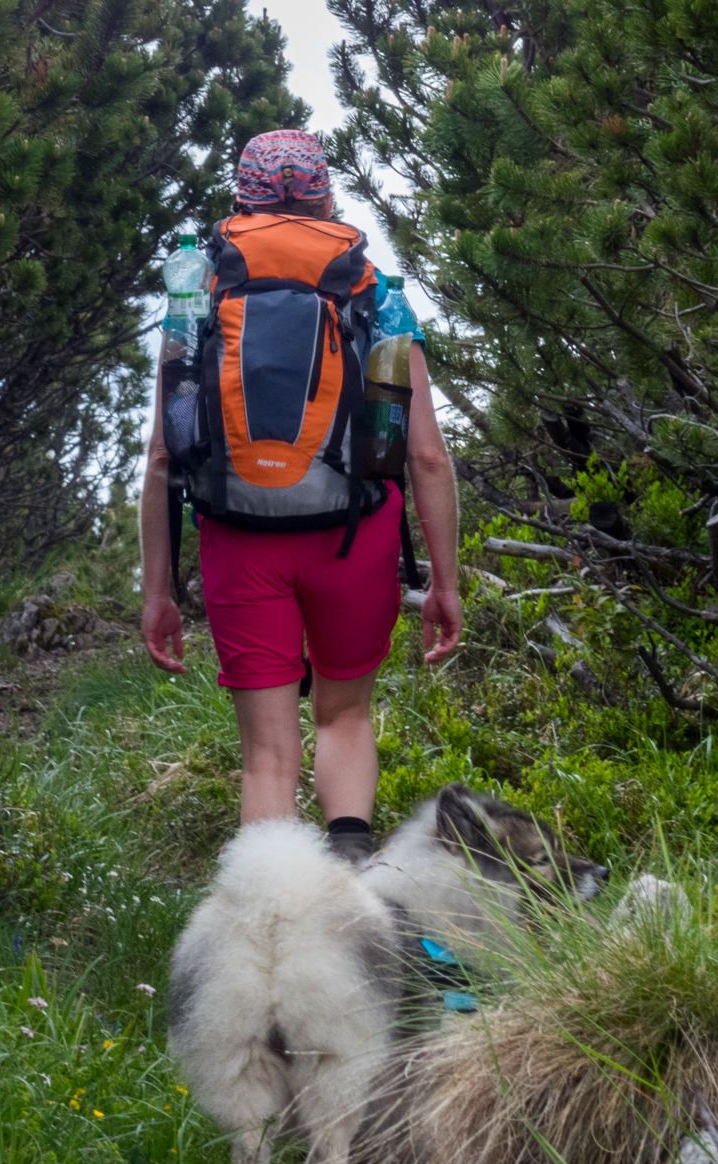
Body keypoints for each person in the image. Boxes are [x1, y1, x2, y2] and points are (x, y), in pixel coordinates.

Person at [138, 130, 464, 861]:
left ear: (240, 200)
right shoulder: (373, 290)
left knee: (267, 756)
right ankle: (350, 890)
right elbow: (425, 457)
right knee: (345, 717)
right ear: (326, 197)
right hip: (354, 538)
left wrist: (158, 591)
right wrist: (444, 582)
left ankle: (273, 932)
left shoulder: (202, 292)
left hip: (238, 540)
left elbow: (165, 454)